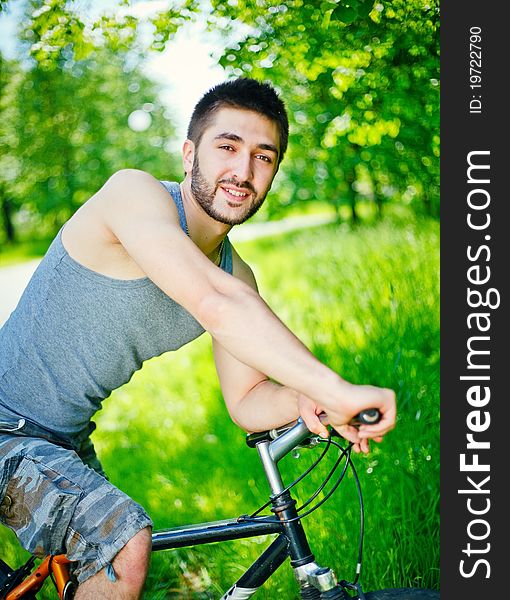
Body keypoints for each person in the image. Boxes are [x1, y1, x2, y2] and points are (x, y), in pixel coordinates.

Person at [0, 78, 396, 599]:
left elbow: (249, 400)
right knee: (122, 545)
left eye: (264, 157)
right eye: (227, 147)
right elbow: (213, 300)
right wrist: (334, 388)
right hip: (6, 426)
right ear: (190, 153)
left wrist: (306, 399)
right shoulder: (133, 195)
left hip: (65, 438)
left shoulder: (237, 274)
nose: (243, 172)